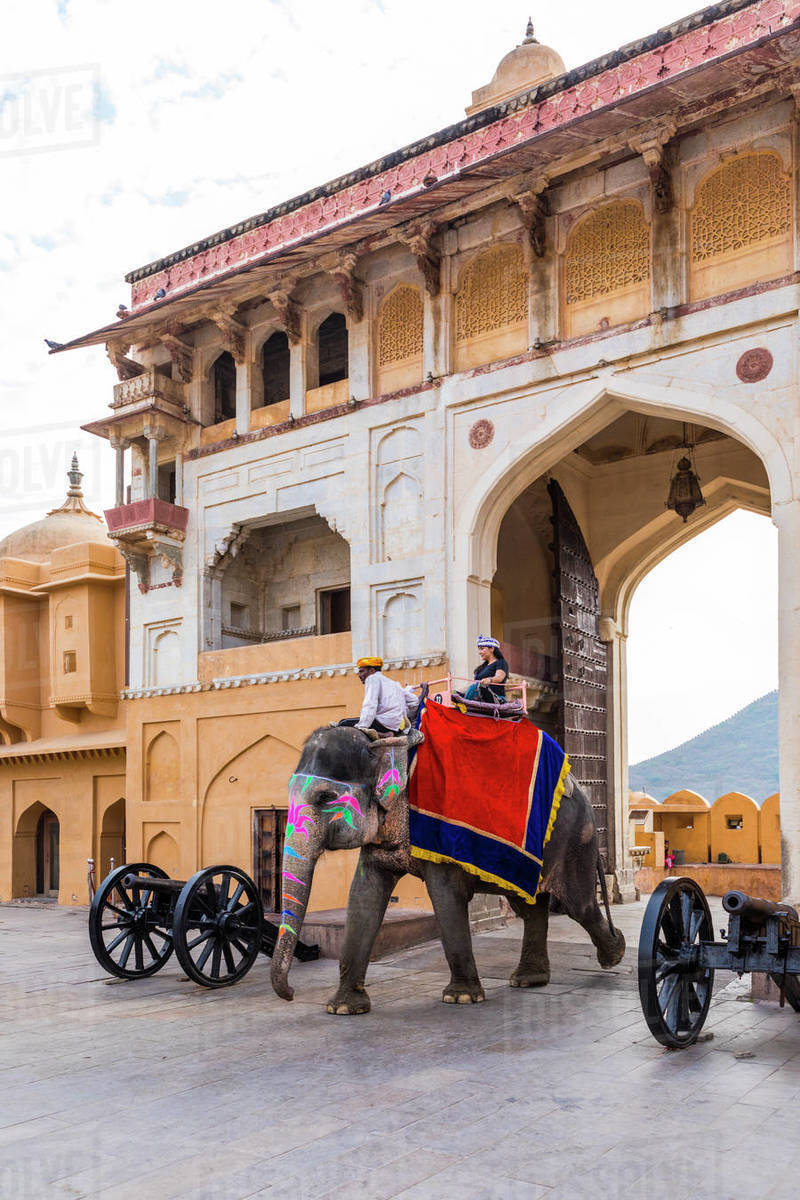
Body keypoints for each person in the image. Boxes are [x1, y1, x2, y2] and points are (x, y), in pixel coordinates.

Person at [339, 656, 408, 735]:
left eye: (361, 671)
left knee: (343, 723)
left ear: (371, 670)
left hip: (384, 724)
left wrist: (362, 726)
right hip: (399, 726)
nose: (359, 675)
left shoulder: (372, 678)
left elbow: (370, 705)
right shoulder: (396, 684)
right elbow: (414, 701)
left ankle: (382, 734)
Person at [466, 635, 509, 701]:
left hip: (495, 696)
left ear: (492, 648)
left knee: (477, 686)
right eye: (479, 649)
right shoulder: (482, 667)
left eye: (482, 649)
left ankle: (464, 703)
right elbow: (472, 686)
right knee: (456, 694)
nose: (479, 652)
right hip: (479, 694)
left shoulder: (501, 662)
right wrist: (454, 692)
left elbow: (499, 677)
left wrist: (489, 680)